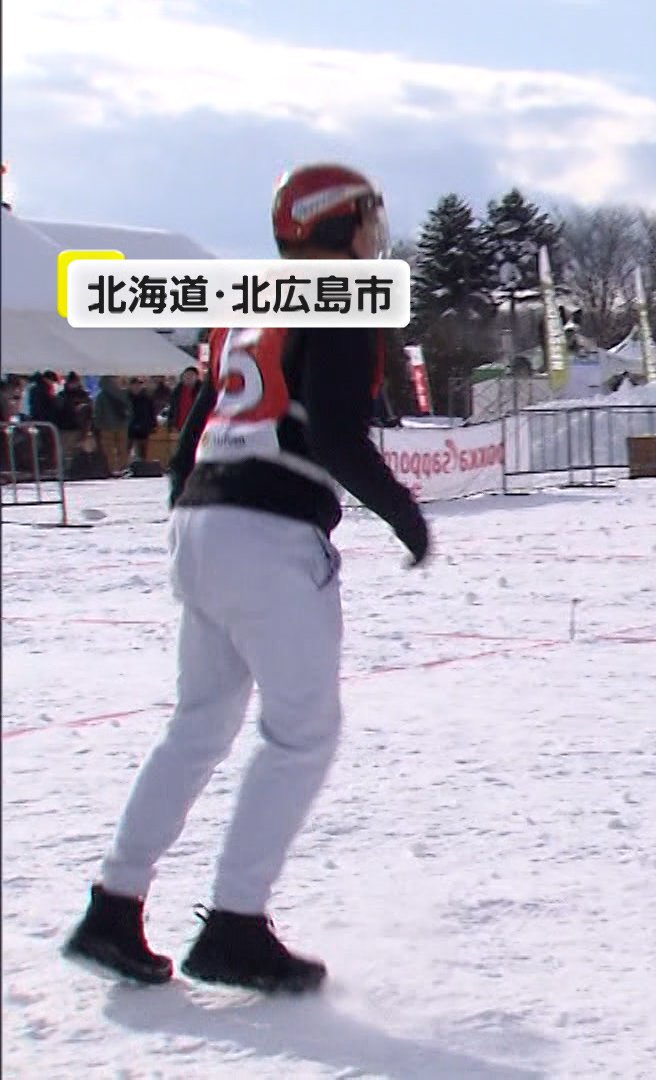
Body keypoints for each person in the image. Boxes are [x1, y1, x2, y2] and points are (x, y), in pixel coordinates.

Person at [63, 162, 430, 995]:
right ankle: (235, 923)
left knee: (199, 723)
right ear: (340, 225)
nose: (377, 230)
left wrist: (197, 517)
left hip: (204, 518)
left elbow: (195, 431)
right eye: (370, 216)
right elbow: (336, 434)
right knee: (301, 734)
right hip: (266, 533)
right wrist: (404, 512)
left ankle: (114, 905)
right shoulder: (337, 296)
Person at [94, 375, 133, 476]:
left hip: (106, 426)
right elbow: (129, 409)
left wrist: (98, 426)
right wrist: (127, 421)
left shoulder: (101, 396)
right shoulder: (122, 393)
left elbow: (98, 413)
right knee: (122, 448)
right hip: (122, 425)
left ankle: (113, 469)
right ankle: (123, 467)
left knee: (109, 450)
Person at [128, 377, 158, 463]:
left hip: (143, 429)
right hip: (129, 429)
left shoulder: (147, 398)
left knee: (143, 452)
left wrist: (153, 425)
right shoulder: (126, 398)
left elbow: (152, 412)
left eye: (139, 385)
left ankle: (141, 467)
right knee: (127, 450)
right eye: (135, 385)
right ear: (131, 386)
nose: (137, 387)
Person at [170, 366, 201, 433]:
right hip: (180, 427)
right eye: (186, 375)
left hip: (197, 427)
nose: (188, 377)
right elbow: (172, 409)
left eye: (191, 375)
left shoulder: (202, 391)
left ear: (197, 377)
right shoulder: (177, 391)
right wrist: (171, 424)